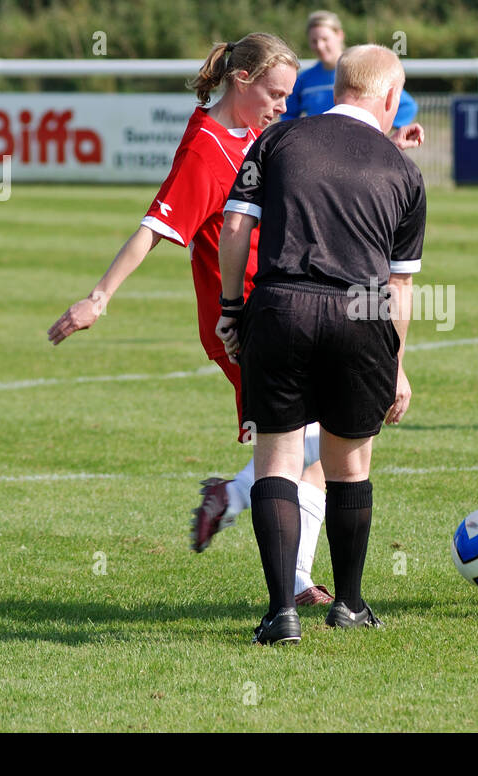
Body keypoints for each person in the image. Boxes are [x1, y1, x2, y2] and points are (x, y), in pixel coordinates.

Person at [45, 32, 336, 607]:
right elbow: (155, 228)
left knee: (323, 441)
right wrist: (99, 297)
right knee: (312, 436)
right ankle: (251, 523)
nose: (284, 107)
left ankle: (272, 547)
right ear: (243, 80)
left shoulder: (250, 129)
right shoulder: (206, 150)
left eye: (288, 97)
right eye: (276, 95)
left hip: (284, 304)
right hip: (243, 321)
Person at [216, 45, 426, 645]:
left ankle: (282, 613)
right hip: (362, 312)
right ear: (389, 97)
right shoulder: (404, 170)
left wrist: (234, 309)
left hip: (281, 303)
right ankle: (350, 603)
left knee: (278, 458)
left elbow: (235, 227)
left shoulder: (277, 140)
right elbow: (399, 285)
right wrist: (396, 363)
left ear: (338, 87)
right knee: (348, 463)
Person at [283, 10, 423, 149]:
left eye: (325, 39)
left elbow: (407, 105)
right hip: (320, 149)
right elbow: (288, 113)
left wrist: (379, 132)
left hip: (359, 147)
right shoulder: (304, 79)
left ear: (339, 35)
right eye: (314, 41)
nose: (320, 46)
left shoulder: (365, 69)